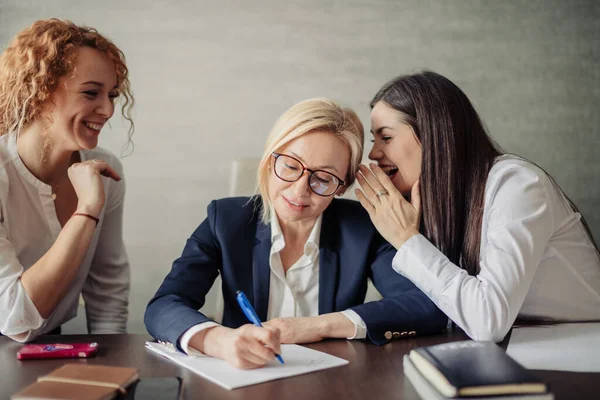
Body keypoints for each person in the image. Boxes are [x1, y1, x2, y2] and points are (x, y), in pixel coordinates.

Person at [145, 98, 447, 369]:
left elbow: (426, 305)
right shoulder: (225, 220)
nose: (300, 191)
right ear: (269, 158)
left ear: (342, 186)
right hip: (245, 381)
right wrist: (218, 341)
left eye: (324, 178)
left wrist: (315, 327)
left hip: (332, 384)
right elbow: (164, 305)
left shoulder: (363, 227)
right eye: (290, 166)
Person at [356, 71, 600, 342]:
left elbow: (487, 321)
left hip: (582, 346)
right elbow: (427, 307)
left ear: (433, 133)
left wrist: (406, 238)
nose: (373, 154)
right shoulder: (428, 206)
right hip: (522, 345)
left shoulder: (517, 186)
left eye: (386, 137)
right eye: (373, 140)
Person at [0, 19, 134, 342]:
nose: (107, 109)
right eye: (91, 93)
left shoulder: (107, 172)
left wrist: (111, 374)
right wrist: (87, 210)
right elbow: (15, 316)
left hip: (52, 348)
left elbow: (108, 290)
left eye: (112, 95)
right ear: (40, 89)